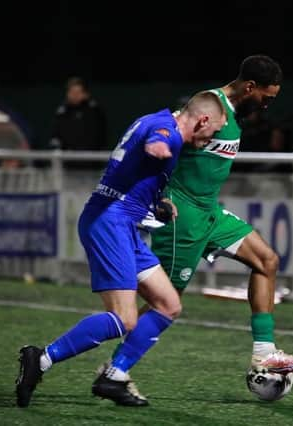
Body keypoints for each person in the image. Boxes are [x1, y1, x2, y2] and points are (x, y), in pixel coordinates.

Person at [93, 55, 293, 402]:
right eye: (266, 98)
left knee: (266, 260)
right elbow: (170, 142)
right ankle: (115, 369)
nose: (267, 106)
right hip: (183, 220)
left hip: (210, 213)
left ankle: (263, 353)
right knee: (165, 304)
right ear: (249, 87)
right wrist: (156, 194)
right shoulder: (210, 110)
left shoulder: (232, 115)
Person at [15, 91, 227, 408]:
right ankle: (41, 359)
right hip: (109, 223)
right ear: (203, 120)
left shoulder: (156, 118)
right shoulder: (166, 131)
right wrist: (158, 147)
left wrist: (159, 201)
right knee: (124, 318)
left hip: (122, 224)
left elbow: (137, 168)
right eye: (216, 131)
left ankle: (113, 377)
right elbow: (157, 140)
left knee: (168, 304)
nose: (215, 138)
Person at [49, 76, 109, 152]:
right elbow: (55, 136)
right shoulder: (62, 112)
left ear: (86, 94)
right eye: (72, 92)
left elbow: (100, 138)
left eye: (78, 92)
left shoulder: (95, 111)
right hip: (67, 157)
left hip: (90, 157)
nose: (74, 96)